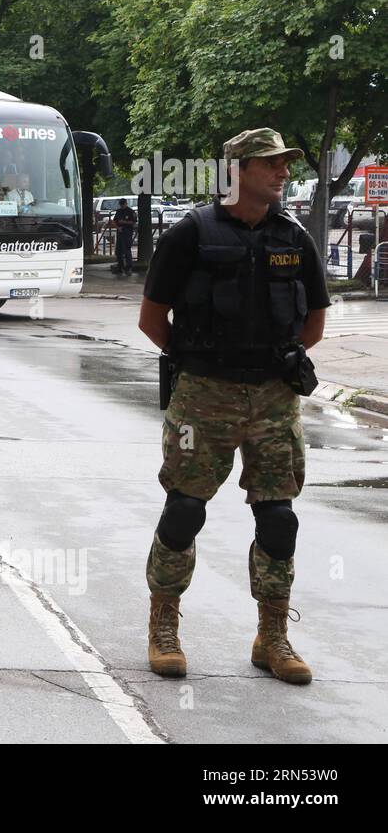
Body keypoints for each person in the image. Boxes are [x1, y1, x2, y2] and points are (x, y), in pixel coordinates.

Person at [137, 128, 329, 685]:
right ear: (237, 171)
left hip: (274, 397)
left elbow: (313, 321)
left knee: (278, 519)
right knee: (185, 510)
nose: (283, 172)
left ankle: (272, 637)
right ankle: (164, 626)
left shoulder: (292, 236)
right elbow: (152, 321)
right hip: (204, 396)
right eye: (270, 164)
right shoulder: (190, 235)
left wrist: (271, 362)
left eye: (285, 164)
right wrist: (201, 363)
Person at [113, 197, 137, 274]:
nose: (122, 206)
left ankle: (129, 267)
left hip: (127, 233)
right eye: (121, 205)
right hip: (120, 232)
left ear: (126, 203)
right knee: (118, 251)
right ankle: (120, 267)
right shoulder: (119, 211)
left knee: (127, 250)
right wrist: (117, 227)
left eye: (123, 204)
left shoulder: (130, 211)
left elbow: (133, 222)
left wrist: (124, 222)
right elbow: (115, 221)